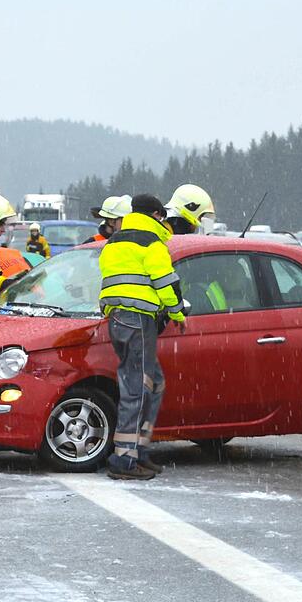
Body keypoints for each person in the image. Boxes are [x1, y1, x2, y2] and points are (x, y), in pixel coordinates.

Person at [98, 193, 186, 480]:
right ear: (157, 216)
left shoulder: (115, 242)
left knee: (153, 383)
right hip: (138, 320)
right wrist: (177, 312)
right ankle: (124, 460)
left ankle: (138, 451)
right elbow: (164, 281)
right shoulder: (151, 243)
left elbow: (111, 277)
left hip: (118, 319)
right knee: (137, 386)